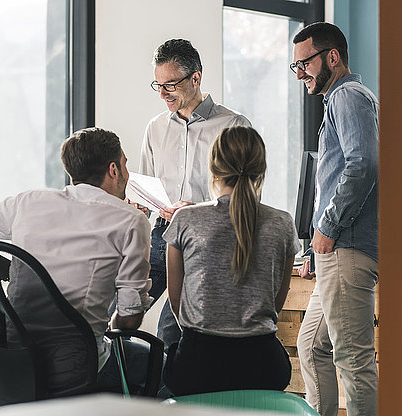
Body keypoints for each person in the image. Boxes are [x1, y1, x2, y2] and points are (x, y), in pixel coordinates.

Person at [0, 127, 155, 393]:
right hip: (77, 367)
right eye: (125, 165)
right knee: (159, 366)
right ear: (113, 170)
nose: (126, 173)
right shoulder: (131, 220)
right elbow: (129, 319)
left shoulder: (30, 201)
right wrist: (110, 327)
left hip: (11, 361)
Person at [161, 126, 299, 396]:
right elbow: (275, 304)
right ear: (261, 170)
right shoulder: (282, 224)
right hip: (263, 366)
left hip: (197, 366)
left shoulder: (185, 221)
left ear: (213, 169)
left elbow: (177, 305)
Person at [140, 39, 251, 348]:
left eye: (171, 85)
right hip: (161, 236)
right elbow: (148, 189)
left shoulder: (233, 125)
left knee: (170, 332)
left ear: (196, 78)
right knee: (116, 316)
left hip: (206, 242)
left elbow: (244, 198)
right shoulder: (155, 128)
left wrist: (198, 210)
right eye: (158, 85)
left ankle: (170, 395)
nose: (163, 93)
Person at [291, 22, 379, 416]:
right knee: (311, 346)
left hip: (347, 248)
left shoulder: (348, 97)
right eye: (294, 67)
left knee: (353, 359)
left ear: (332, 57)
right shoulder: (343, 100)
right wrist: (315, 246)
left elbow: (363, 164)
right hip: (333, 251)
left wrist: (325, 227)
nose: (300, 74)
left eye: (304, 63)